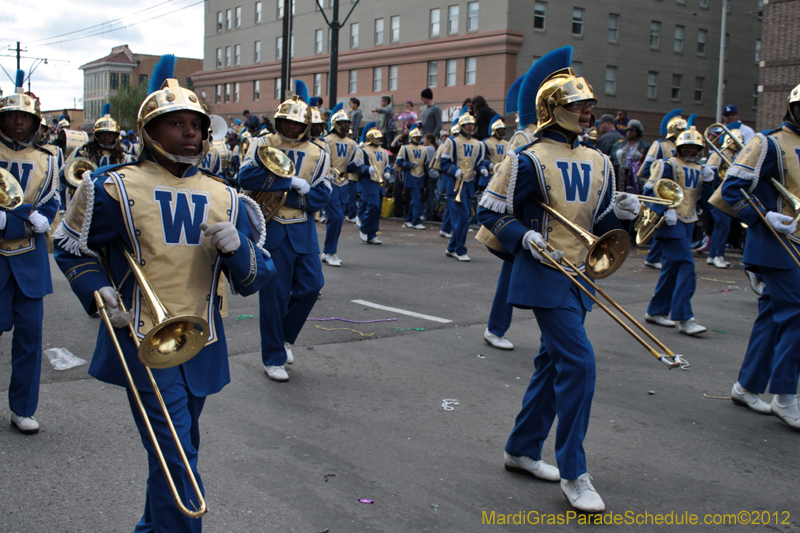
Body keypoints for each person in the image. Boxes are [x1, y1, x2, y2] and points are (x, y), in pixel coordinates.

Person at [53, 56, 275, 532]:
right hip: (143, 339)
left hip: (204, 343)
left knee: (175, 449)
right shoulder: (114, 188)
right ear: (150, 131)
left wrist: (238, 253)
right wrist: (98, 292)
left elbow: (258, 279)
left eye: (195, 124)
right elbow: (70, 246)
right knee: (178, 455)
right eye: (175, 124)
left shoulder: (228, 196)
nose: (190, 133)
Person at [477, 46, 641, 513]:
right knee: (580, 365)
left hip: (583, 273)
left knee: (553, 364)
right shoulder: (527, 158)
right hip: (545, 272)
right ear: (552, 108)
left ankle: (521, 449)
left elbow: (602, 219)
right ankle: (575, 472)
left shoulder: (600, 160)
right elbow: (488, 210)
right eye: (578, 105)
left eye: (589, 105)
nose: (588, 112)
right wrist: (524, 236)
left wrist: (625, 216)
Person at [721, 84, 800, 429]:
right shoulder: (768, 142)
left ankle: (747, 385)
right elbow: (731, 188)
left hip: (795, 243)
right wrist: (765, 215)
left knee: (773, 315)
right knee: (797, 315)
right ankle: (786, 397)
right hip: (775, 243)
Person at [239, 93, 331, 383]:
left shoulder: (319, 152)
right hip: (272, 228)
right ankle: (273, 358)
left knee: (312, 286)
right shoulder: (262, 143)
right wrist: (288, 183)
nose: (291, 128)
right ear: (279, 121)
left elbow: (323, 194)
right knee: (274, 298)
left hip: (303, 231)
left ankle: (284, 338)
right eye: (286, 122)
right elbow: (245, 178)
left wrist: (294, 197)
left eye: (296, 124)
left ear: (305, 125)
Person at [0, 70, 60, 434]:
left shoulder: (49, 159)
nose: (18, 121)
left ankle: (22, 407)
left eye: (24, 116)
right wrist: (27, 218)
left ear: (35, 122)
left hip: (30, 262)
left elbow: (50, 205)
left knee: (30, 340)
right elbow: (33, 214)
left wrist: (14, 222)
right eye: (11, 115)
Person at [643, 126, 711, 335]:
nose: (690, 151)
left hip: (689, 220)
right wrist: (664, 210)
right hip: (670, 221)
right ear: (679, 146)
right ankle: (684, 317)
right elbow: (649, 190)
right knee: (686, 266)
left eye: (694, 147)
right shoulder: (668, 164)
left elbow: (707, 200)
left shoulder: (700, 168)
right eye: (686, 147)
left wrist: (710, 182)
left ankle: (656, 311)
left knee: (672, 269)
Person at [638, 108, 687, 270]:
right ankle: (655, 257)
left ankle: (657, 256)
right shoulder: (660, 145)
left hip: (679, 193)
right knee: (659, 224)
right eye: (680, 129)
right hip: (661, 190)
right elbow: (647, 168)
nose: (682, 132)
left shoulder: (685, 147)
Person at [440, 108, 488, 261]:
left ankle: (452, 247)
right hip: (454, 185)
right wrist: (454, 171)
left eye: (472, 125)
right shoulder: (451, 142)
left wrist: (482, 169)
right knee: (462, 218)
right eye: (467, 125)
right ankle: (460, 250)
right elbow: (443, 163)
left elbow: (478, 163)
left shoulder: (478, 144)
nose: (470, 127)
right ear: (461, 126)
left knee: (463, 218)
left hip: (468, 185)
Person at [322, 103, 363, 266]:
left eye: (348, 123)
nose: (347, 125)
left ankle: (327, 251)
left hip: (344, 184)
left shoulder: (352, 143)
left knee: (337, 219)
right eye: (344, 122)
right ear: (335, 124)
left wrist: (358, 164)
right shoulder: (326, 140)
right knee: (336, 217)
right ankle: (330, 252)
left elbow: (351, 167)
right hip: (330, 183)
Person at [702, 126, 743, 268]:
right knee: (723, 224)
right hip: (717, 194)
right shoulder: (719, 154)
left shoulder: (735, 155)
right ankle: (718, 255)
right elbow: (709, 174)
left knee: (722, 226)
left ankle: (713, 255)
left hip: (726, 195)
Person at [63, 103, 130, 172]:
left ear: (116, 136)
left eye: (111, 135)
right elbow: (66, 173)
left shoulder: (124, 157)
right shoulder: (84, 153)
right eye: (103, 134)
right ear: (97, 135)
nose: (107, 137)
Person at [356, 122, 391, 244]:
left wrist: (387, 173)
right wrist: (366, 169)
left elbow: (386, 166)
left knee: (378, 209)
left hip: (379, 182)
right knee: (373, 206)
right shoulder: (363, 151)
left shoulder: (383, 151)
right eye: (377, 138)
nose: (380, 140)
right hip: (369, 181)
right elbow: (357, 167)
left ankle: (372, 233)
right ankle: (365, 228)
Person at [396, 124, 428, 229]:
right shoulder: (405, 148)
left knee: (414, 200)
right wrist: (409, 164)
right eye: (416, 137)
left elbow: (426, 162)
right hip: (411, 175)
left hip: (421, 176)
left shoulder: (423, 148)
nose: (418, 139)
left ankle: (408, 219)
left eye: (419, 137)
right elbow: (399, 162)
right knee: (416, 199)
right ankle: (416, 221)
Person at [610, 120, 649, 194]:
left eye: (632, 130)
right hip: (618, 173)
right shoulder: (618, 144)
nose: (629, 132)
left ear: (638, 132)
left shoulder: (644, 146)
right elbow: (612, 158)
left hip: (634, 176)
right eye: (627, 129)